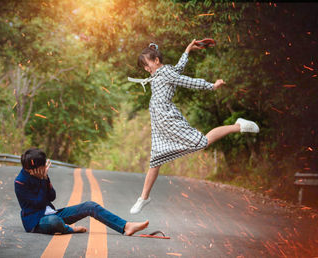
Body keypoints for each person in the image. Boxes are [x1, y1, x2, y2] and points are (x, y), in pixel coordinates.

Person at [128, 40, 260, 214]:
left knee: (202, 142)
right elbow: (179, 68)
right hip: (159, 124)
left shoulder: (165, 72)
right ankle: (143, 198)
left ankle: (237, 125)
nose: (146, 69)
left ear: (156, 61)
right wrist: (188, 50)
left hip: (168, 120)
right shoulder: (162, 72)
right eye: (144, 67)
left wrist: (211, 86)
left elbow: (187, 81)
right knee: (155, 160)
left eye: (147, 65)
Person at [14, 148, 149, 235]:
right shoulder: (20, 182)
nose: (46, 168)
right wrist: (42, 180)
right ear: (35, 168)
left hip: (53, 213)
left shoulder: (41, 176)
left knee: (90, 206)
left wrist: (45, 179)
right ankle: (70, 229)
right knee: (54, 221)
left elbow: (52, 196)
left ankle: (125, 226)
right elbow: (38, 203)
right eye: (44, 166)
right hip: (36, 222)